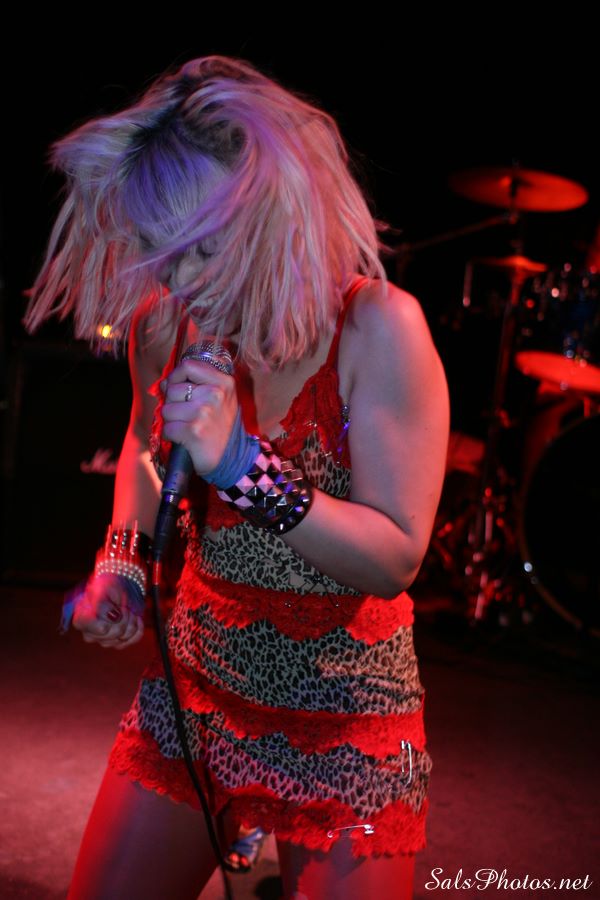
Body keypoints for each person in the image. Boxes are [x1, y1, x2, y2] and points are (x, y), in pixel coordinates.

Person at [25, 55, 450, 900]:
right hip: (198, 691)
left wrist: (243, 470)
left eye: (204, 252)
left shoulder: (378, 329)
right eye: (163, 255)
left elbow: (397, 554)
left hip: (347, 719)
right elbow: (143, 447)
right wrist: (121, 565)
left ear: (269, 220)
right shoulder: (165, 325)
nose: (179, 282)